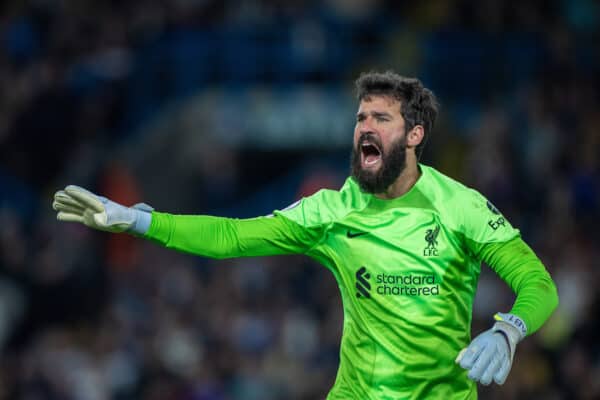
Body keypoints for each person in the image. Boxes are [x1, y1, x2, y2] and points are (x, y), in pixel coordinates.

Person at [52, 71, 559, 399]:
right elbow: (233, 237)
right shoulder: (330, 210)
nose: (365, 128)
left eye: (381, 118)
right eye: (361, 117)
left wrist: (507, 330)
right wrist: (142, 220)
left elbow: (538, 283)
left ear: (415, 135)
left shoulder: (462, 207)